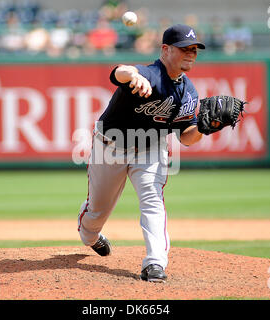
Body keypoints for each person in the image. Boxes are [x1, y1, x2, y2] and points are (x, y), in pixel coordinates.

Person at [77, 24, 205, 282]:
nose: (190, 54)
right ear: (166, 50)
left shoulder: (188, 91)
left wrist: (204, 127)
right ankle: (90, 235)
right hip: (110, 146)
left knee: (152, 198)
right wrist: (133, 76)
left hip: (151, 148)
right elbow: (119, 72)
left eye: (194, 49)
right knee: (97, 212)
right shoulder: (148, 73)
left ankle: (155, 263)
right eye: (184, 49)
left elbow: (187, 138)